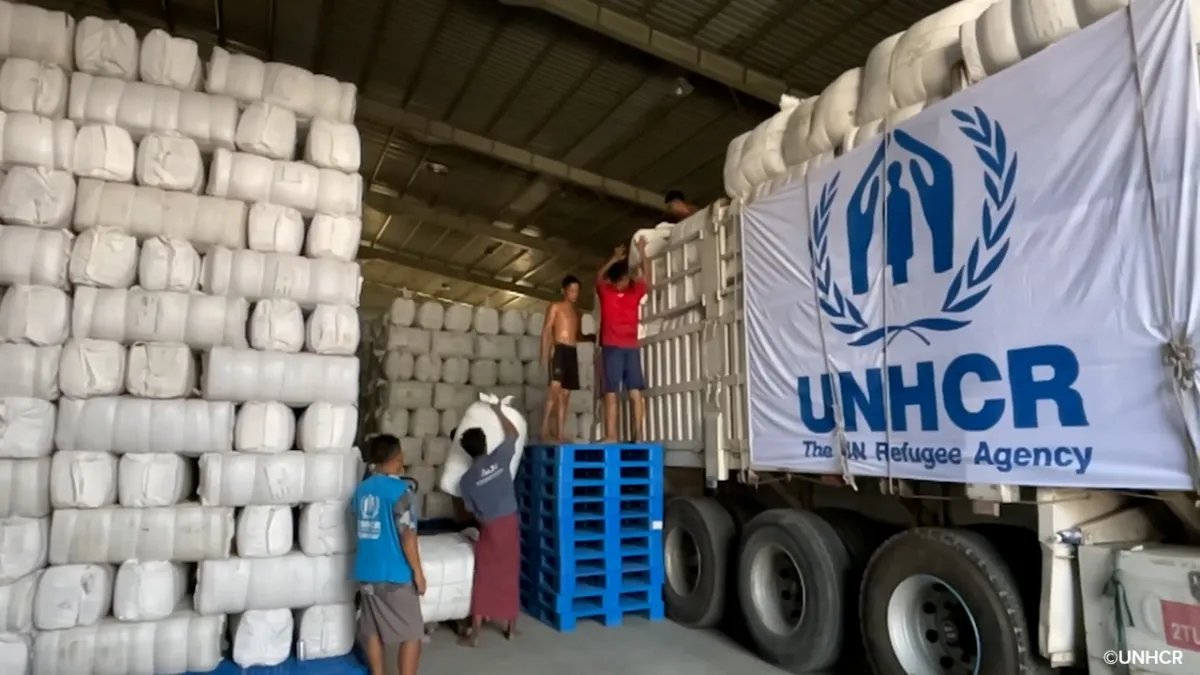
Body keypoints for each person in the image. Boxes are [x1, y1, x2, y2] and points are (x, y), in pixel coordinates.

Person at [353, 434, 426, 675]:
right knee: (412, 632)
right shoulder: (401, 491)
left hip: (367, 571)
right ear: (397, 456)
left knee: (372, 629)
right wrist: (418, 572)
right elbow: (408, 536)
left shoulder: (361, 490)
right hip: (394, 573)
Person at [456, 407, 522, 645]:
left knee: (484, 577)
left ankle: (475, 633)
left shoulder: (466, 481)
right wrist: (498, 410)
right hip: (510, 522)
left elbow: (471, 511)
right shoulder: (499, 458)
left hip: (490, 527)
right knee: (510, 573)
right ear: (485, 443)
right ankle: (511, 628)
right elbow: (513, 434)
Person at [597, 238, 650, 441]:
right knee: (619, 391)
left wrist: (639, 252)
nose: (626, 283)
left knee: (622, 391)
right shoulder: (610, 293)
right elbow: (599, 277)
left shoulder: (619, 293)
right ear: (616, 280)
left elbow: (646, 277)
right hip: (621, 348)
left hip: (620, 348)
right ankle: (620, 434)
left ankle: (631, 434)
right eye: (624, 280)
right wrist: (618, 257)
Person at [540, 274, 591, 442]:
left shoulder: (577, 313)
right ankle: (544, 430)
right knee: (554, 389)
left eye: (577, 291)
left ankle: (560, 433)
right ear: (564, 291)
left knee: (566, 394)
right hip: (559, 348)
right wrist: (544, 353)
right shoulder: (555, 306)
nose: (574, 294)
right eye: (571, 291)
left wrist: (593, 338)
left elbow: (577, 335)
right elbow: (547, 329)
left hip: (571, 351)